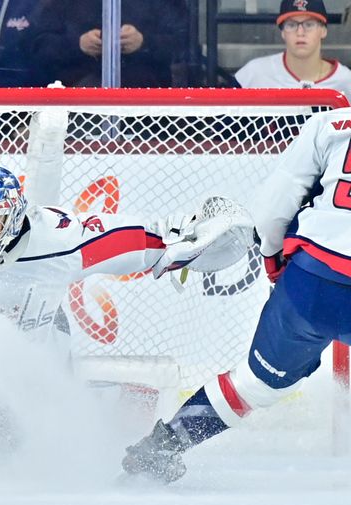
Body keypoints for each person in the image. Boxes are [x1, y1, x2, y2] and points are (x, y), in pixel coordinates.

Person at [122, 107, 351, 484]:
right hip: (314, 276)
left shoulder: (330, 124)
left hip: (312, 283)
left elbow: (272, 208)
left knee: (255, 383)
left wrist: (273, 259)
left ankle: (161, 449)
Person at [0, 166, 253, 353]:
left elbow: (156, 238)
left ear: (12, 219)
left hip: (42, 350)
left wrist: (191, 236)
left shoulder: (60, 241)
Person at [25, 0, 187, 88]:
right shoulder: (61, 4)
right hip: (77, 98)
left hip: (148, 102)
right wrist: (77, 45)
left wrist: (144, 43)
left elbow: (184, 42)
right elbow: (39, 46)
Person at [234, 0, 351, 95]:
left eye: (309, 24)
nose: (300, 32)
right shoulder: (255, 72)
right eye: (291, 25)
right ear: (283, 32)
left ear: (323, 31)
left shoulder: (346, 81)